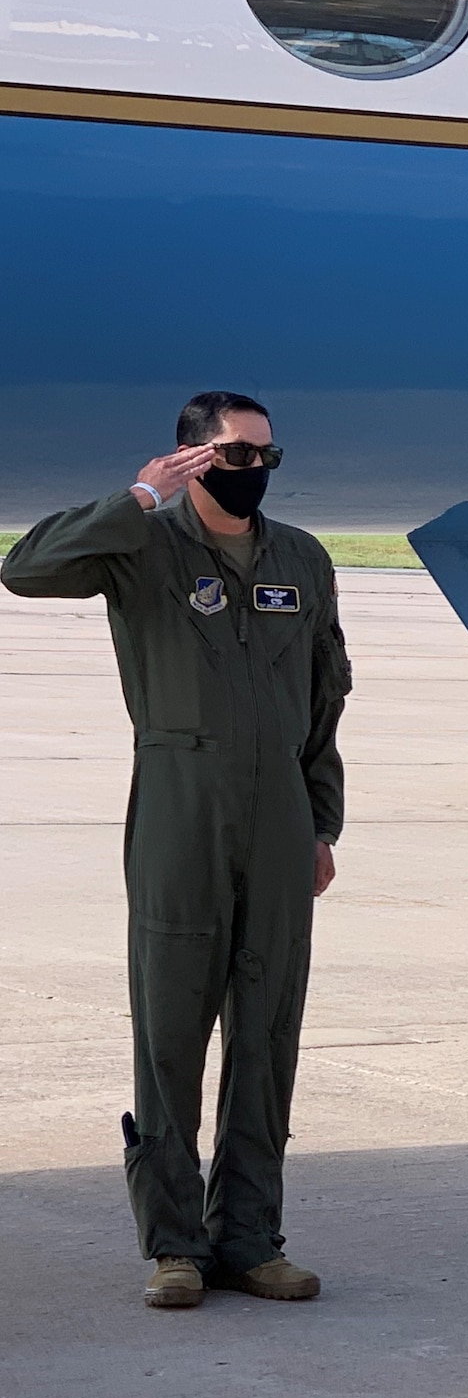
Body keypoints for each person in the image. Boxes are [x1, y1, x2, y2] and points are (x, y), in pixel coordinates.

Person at [0, 392, 349, 1310]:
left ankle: (251, 1240)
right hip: (179, 804)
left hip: (277, 816)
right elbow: (24, 568)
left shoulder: (301, 558)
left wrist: (320, 825)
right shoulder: (143, 544)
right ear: (192, 456)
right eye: (238, 453)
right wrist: (138, 499)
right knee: (170, 1030)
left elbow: (324, 703)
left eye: (268, 455)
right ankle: (175, 1247)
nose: (256, 470)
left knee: (268, 1032)